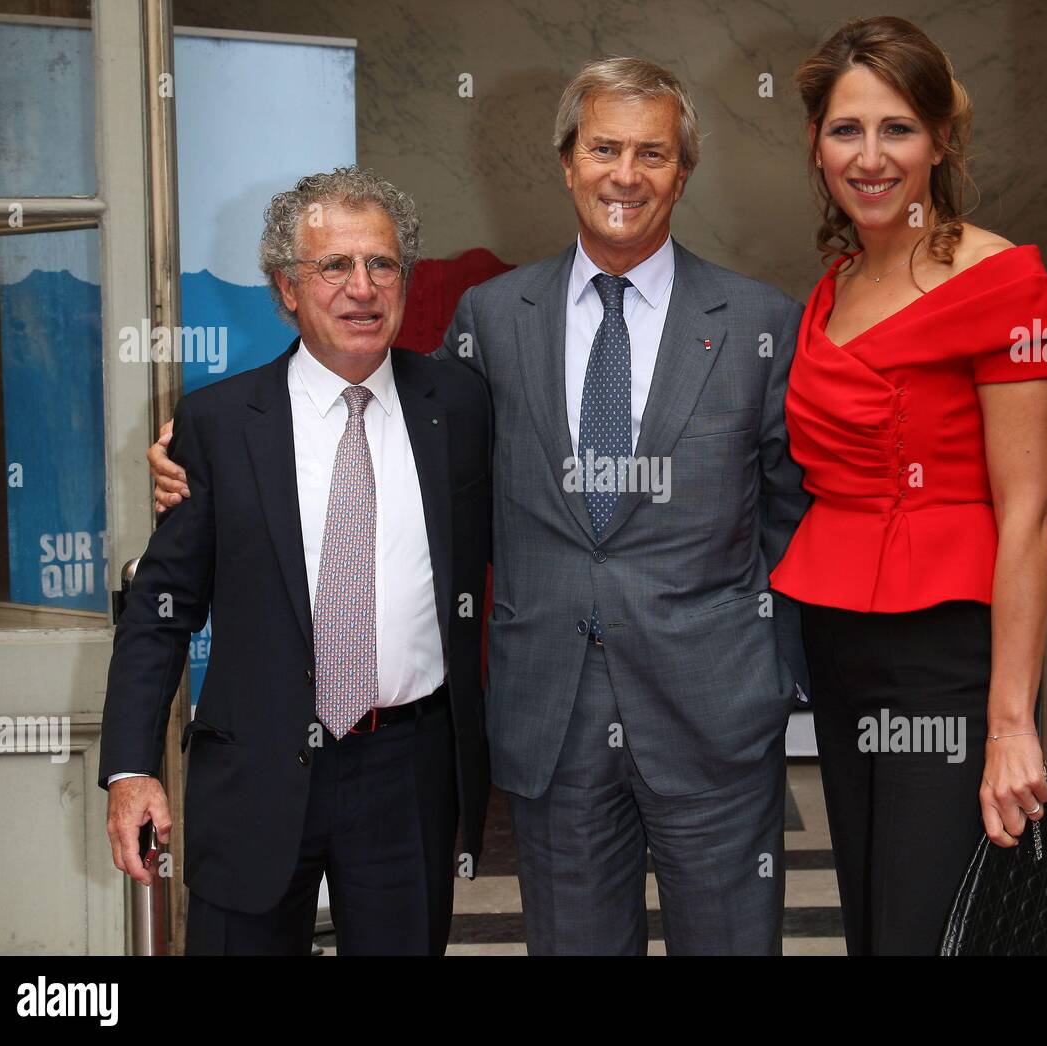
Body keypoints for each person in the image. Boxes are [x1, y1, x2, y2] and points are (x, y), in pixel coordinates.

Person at [155, 57, 809, 956]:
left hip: (715, 720)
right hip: (552, 726)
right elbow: (382, 419)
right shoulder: (493, 318)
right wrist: (199, 458)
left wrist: (772, 680)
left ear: (683, 171)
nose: (626, 173)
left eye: (652, 153)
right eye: (604, 148)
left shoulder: (760, 322)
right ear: (567, 163)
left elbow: (793, 513)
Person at [102, 167, 492, 955]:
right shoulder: (217, 424)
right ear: (286, 287)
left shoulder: (461, 403)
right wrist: (129, 769)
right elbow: (161, 612)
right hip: (256, 767)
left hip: (406, 766)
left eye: (382, 264)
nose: (363, 288)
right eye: (334, 266)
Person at [770, 16, 1047, 955]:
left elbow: (1027, 517)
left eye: (897, 128)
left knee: (931, 926)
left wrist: (1010, 726)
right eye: (845, 129)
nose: (870, 156)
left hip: (949, 653)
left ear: (942, 139)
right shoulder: (833, 285)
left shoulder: (1009, 287)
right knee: (875, 919)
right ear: (816, 145)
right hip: (840, 646)